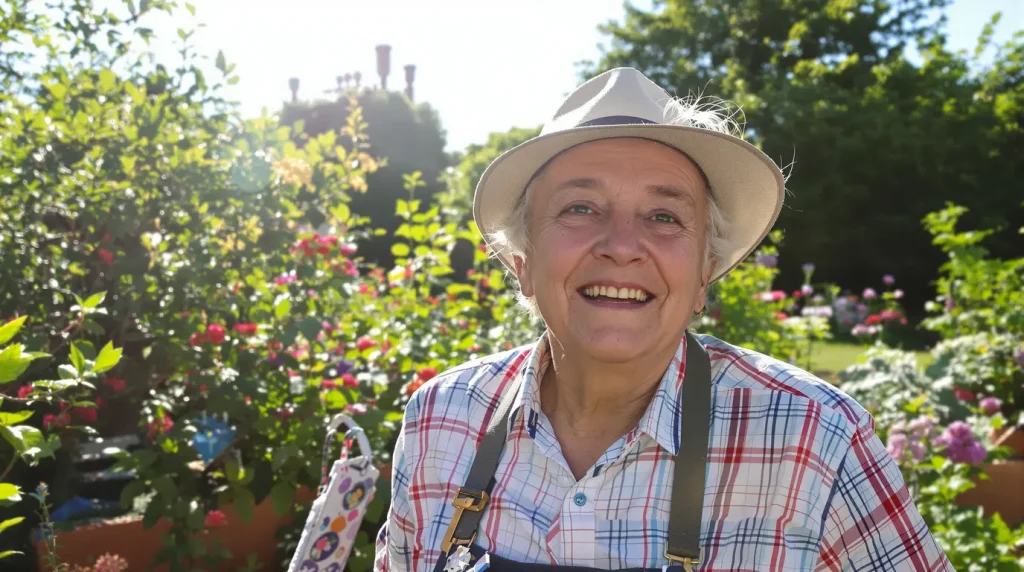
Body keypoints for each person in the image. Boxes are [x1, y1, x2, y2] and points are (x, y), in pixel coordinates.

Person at [374, 68, 951, 571]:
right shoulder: (440, 422)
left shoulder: (815, 439)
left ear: (705, 272)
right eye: (580, 207)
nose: (622, 246)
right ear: (522, 266)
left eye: (664, 215)